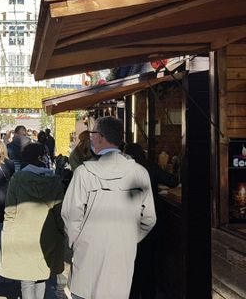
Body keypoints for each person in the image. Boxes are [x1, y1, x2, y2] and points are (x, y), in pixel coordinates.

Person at [61, 117, 157, 299]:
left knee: (85, 292)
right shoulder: (139, 173)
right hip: (123, 253)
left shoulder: (84, 173)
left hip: (88, 253)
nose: (91, 138)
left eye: (93, 134)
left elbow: (70, 214)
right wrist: (129, 237)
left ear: (101, 137)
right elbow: (149, 218)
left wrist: (80, 240)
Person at [0, 143, 66, 299]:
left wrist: (7, 231)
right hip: (47, 234)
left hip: (21, 233)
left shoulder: (17, 178)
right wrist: (62, 231)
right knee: (41, 275)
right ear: (41, 157)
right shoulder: (54, 180)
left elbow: (10, 209)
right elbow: (59, 211)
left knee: (26, 279)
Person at [123, 143, 178, 299]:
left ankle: (131, 293)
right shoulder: (149, 166)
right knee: (148, 264)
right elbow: (172, 181)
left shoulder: (121, 169)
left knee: (130, 264)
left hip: (127, 224)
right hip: (148, 224)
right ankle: (148, 293)